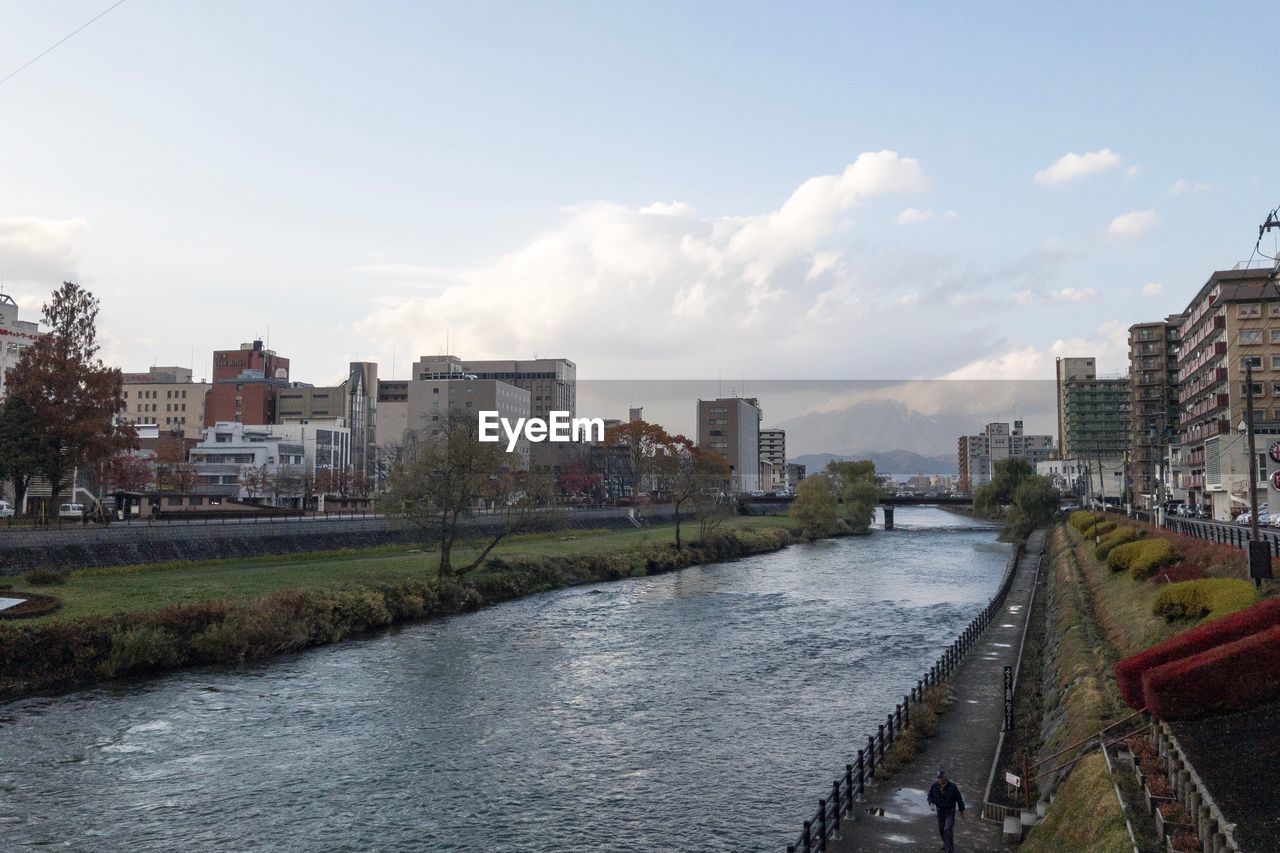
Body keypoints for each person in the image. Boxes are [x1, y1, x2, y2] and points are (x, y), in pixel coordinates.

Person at [927, 768, 965, 853]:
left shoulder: (953, 787)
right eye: (938, 778)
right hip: (940, 811)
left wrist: (961, 811)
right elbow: (930, 796)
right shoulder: (934, 786)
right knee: (941, 830)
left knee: (947, 829)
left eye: (941, 778)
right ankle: (946, 844)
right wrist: (931, 804)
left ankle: (949, 850)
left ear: (945, 777)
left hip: (949, 811)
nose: (939, 779)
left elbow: (959, 799)